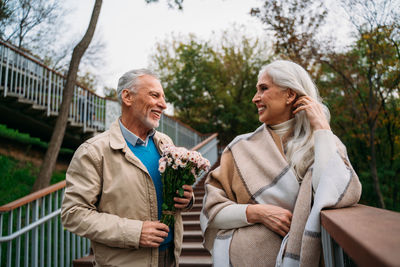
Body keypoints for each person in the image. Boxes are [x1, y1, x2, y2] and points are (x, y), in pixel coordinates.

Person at [200, 60, 362, 267]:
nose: (254, 98)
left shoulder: (324, 143)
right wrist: (257, 213)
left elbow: (331, 193)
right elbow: (212, 212)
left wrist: (322, 127)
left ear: (290, 94)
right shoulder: (239, 148)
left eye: (263, 88)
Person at [61, 69, 194, 267]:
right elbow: (73, 214)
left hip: (169, 258)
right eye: (154, 95)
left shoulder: (165, 143)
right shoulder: (94, 151)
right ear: (127, 97)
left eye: (163, 98)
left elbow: (169, 194)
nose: (164, 105)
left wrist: (186, 199)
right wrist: (135, 232)